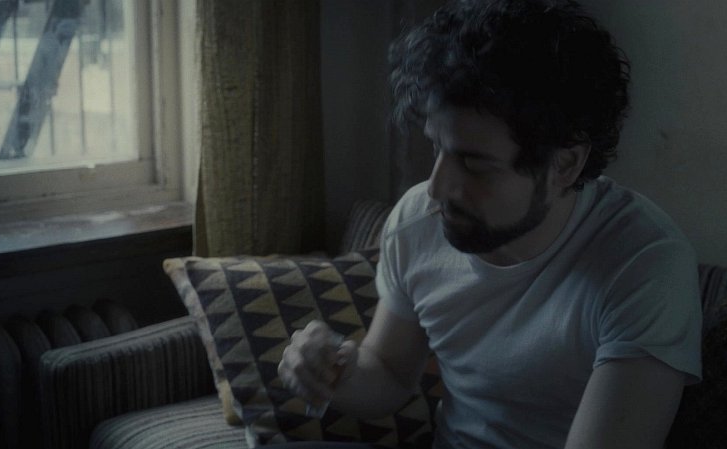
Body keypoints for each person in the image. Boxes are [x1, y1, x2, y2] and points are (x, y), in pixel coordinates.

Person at [277, 1, 702, 448]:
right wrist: (335, 372)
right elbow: (390, 373)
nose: (437, 188)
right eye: (437, 147)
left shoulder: (644, 265)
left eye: (475, 164)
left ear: (564, 165)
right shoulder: (417, 222)